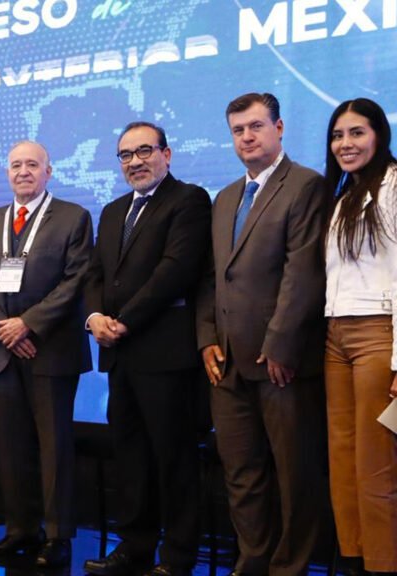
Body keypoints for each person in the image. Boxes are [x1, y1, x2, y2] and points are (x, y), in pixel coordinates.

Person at [196, 92, 328, 576]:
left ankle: (289, 568)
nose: (247, 137)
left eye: (256, 126)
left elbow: (303, 273)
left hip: (281, 363)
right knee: (241, 473)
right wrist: (207, 337)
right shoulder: (225, 197)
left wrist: (280, 345)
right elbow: (213, 275)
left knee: (295, 474)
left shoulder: (306, 185)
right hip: (227, 361)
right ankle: (251, 562)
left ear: (279, 127)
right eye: (238, 130)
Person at [82, 123, 211, 576]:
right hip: (121, 356)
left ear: (166, 154)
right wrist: (93, 317)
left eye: (144, 151)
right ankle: (135, 547)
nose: (135, 162)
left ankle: (177, 557)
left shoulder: (189, 200)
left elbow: (175, 271)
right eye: (125, 155)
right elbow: (96, 274)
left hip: (165, 355)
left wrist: (124, 321)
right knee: (130, 457)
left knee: (174, 459)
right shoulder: (113, 211)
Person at [0, 140, 93, 568]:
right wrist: (2, 329)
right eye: (16, 165)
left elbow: (76, 279)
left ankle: (57, 536)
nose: (23, 171)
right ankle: (20, 529)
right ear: (7, 172)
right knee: (10, 447)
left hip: (50, 349)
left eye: (32, 165)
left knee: (54, 447)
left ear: (48, 171)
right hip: (5, 351)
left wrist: (28, 324)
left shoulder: (74, 217)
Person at [322, 97, 397, 576]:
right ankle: (353, 559)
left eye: (356, 133)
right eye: (337, 135)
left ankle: (382, 565)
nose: (345, 144)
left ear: (379, 136)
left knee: (376, 465)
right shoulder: (343, 194)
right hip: (335, 335)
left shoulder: (394, 184)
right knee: (343, 459)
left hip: (378, 334)